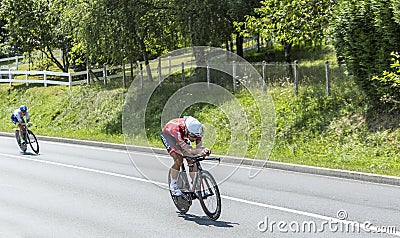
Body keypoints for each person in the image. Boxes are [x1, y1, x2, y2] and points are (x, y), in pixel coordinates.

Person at [161, 116, 211, 196]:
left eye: (196, 137)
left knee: (192, 159)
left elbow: (198, 148)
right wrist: (199, 151)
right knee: (178, 159)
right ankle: (173, 185)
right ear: (187, 131)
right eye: (193, 136)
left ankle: (196, 187)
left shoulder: (197, 130)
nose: (195, 139)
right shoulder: (177, 130)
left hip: (183, 135)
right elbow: (190, 150)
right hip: (169, 136)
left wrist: (203, 151)